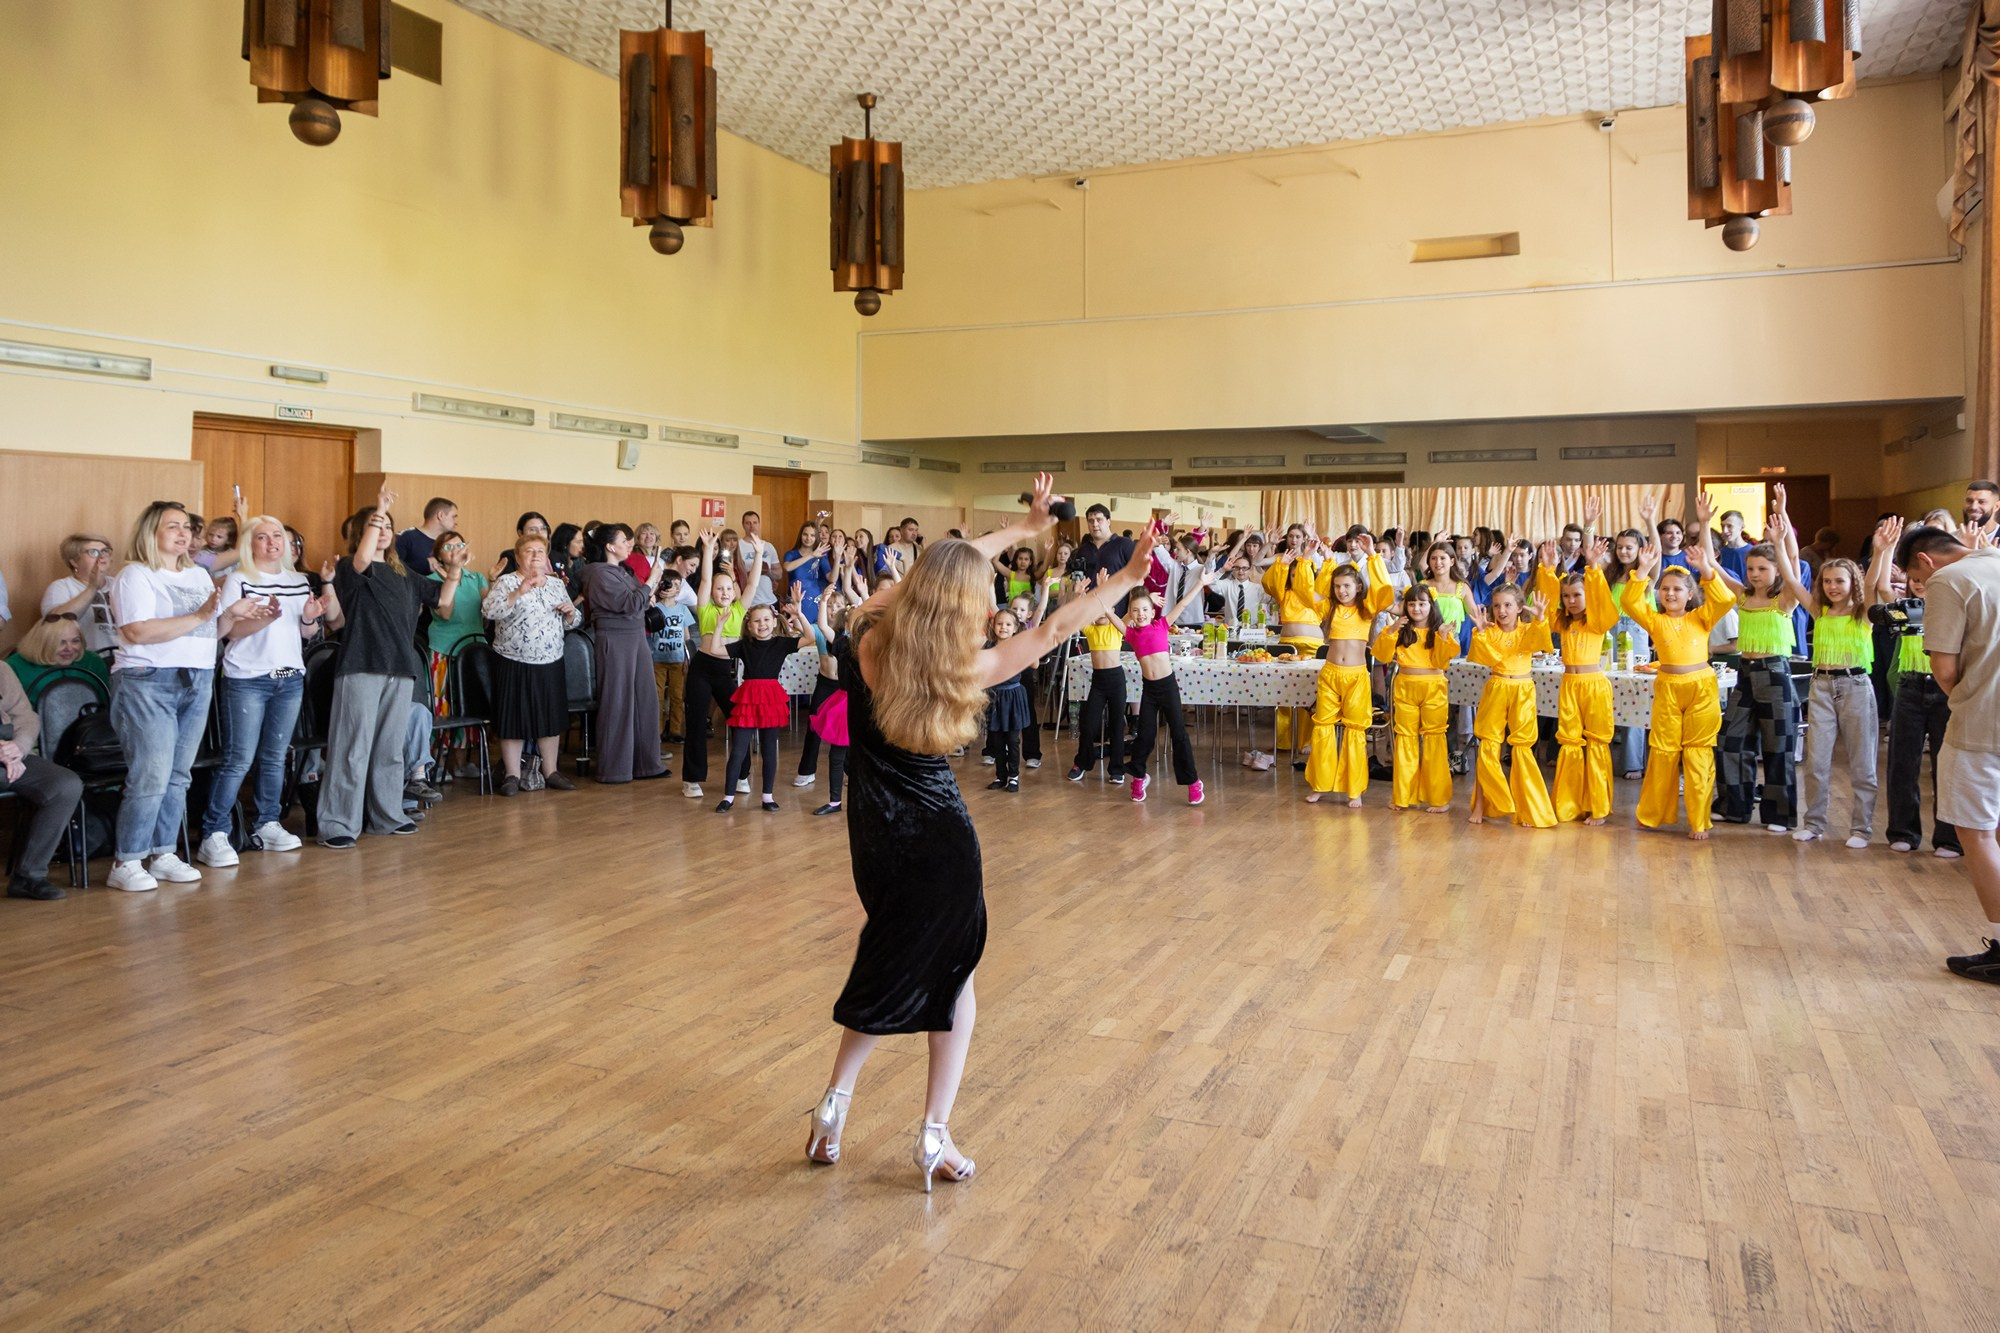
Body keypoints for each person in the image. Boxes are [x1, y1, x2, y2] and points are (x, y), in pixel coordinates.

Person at [804, 474, 1153, 1189]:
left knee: (890, 959)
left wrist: (1020, 532)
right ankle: (933, 1133)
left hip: (874, 837)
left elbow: (943, 566)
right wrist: (1123, 576)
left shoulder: (869, 635)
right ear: (967, 603)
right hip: (939, 838)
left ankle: (834, 1103)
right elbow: (1058, 625)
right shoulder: (970, 665)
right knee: (952, 977)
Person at [106, 501, 251, 891]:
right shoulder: (135, 575)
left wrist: (232, 616)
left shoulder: (198, 575)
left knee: (177, 775)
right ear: (150, 533)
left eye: (186, 526)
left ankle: (164, 851)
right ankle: (127, 859)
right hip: (148, 679)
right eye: (173, 526)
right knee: (150, 774)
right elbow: (136, 632)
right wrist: (202, 617)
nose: (183, 533)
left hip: (198, 677)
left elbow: (209, 633)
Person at [320, 493, 460, 849]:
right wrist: (379, 510)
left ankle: (387, 815)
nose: (382, 530)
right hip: (361, 666)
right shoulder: (353, 568)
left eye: (387, 526)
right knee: (352, 748)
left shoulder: (406, 574)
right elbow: (365, 557)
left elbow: (443, 601)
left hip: (399, 668)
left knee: (390, 749)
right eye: (375, 526)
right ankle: (338, 822)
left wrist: (455, 569)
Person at [1893, 521, 2000, 981]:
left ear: (1925, 561)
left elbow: (1944, 668)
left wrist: (1965, 694)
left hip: (1982, 725)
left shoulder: (1948, 580)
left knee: (1975, 830)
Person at [193, 515, 322, 867]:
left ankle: (267, 821)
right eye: (262, 537)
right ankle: (214, 832)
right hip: (247, 677)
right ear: (250, 544)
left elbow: (306, 634)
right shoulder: (238, 580)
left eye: (277, 535)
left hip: (289, 676)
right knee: (238, 759)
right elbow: (228, 632)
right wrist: (261, 618)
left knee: (275, 757)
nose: (271, 542)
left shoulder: (298, 580)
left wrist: (309, 617)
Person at [1776, 487, 1879, 848]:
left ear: (1853, 583)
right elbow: (1790, 577)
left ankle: (1861, 829)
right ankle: (1814, 823)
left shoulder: (1863, 614)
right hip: (1821, 686)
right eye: (1828, 581)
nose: (1833, 586)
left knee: (1862, 762)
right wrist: (1783, 528)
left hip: (1855, 686)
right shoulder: (1819, 611)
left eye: (1840, 581)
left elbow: (1873, 581)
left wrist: (1881, 551)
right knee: (1816, 762)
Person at [1621, 540, 1736, 840]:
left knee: (1698, 754)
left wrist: (1707, 570)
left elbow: (1724, 600)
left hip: (1701, 689)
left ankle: (1699, 820)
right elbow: (1631, 603)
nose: (1670, 593)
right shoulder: (1655, 620)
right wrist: (1643, 571)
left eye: (1677, 589)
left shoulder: (1701, 617)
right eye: (1665, 589)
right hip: (1668, 689)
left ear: (1690, 594)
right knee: (1663, 751)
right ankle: (1652, 813)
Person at [1872, 518, 1962, 858]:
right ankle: (1903, 832)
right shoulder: (1902, 609)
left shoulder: (1951, 602)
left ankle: (1949, 837)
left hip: (1945, 691)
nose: (1919, 584)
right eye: (1912, 579)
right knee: (1903, 763)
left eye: (1921, 578)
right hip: (1910, 688)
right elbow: (1881, 586)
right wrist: (1885, 550)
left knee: (1945, 764)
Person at [1712, 523, 1801, 832]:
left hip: (1775, 674)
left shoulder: (1785, 599)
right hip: (1746, 675)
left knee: (1778, 747)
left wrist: (1783, 530)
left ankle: (1779, 814)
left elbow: (1792, 563)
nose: (1754, 573)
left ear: (1776, 571)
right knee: (1730, 740)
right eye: (1750, 568)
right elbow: (1716, 568)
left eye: (1762, 568)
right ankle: (1734, 806)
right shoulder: (1742, 597)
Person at [481, 534, 581, 796]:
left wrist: (571, 613)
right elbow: (489, 612)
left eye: (540, 550)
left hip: (550, 660)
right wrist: (518, 592)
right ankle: (512, 775)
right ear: (518, 556)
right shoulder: (506, 582)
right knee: (512, 717)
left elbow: (573, 618)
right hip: (513, 660)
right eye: (529, 551)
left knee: (550, 716)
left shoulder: (556, 584)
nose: (536, 555)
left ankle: (551, 771)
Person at [1534, 539, 1622, 825]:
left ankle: (1598, 806)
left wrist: (1594, 567)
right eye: (1567, 596)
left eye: (1577, 595)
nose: (1571, 601)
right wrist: (1547, 570)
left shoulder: (1597, 620)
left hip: (1594, 686)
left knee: (1595, 743)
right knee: (1570, 742)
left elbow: (1603, 602)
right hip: (1570, 685)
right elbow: (1545, 610)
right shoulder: (1565, 622)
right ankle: (1569, 804)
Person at [1110, 571, 1214, 805]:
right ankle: (1138, 776)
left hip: (1168, 687)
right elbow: (1110, 615)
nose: (1140, 614)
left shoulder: (1162, 625)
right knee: (1144, 736)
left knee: (1179, 734)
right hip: (1150, 690)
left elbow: (1184, 602)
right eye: (1135, 611)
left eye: (1144, 610)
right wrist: (1101, 598)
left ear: (1153, 610)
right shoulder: (1131, 634)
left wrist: (1200, 583)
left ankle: (1193, 782)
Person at [1305, 545, 1396, 806]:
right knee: (1323, 726)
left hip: (1356, 676)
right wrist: (1326, 562)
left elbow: (1385, 595)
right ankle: (1320, 784)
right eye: (1337, 586)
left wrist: (1372, 556)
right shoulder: (1330, 609)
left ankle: (1353, 788)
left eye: (1347, 586)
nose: (1341, 591)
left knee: (1355, 730)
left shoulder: (1367, 609)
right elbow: (1313, 595)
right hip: (1331, 673)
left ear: (1358, 587)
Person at [1465, 585, 1556, 828]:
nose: (1501, 610)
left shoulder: (1528, 629)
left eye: (1507, 605)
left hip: (1523, 689)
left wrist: (1540, 619)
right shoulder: (1490, 631)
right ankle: (1483, 805)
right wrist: (1481, 633)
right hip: (1497, 686)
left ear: (1518, 608)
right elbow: (1484, 656)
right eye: (1497, 605)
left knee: (1522, 747)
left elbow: (1541, 643)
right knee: (1489, 745)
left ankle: (1527, 808)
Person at [682, 522, 761, 798]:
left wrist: (759, 554)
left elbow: (751, 583)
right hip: (702, 669)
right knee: (695, 722)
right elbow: (704, 580)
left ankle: (741, 775)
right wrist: (707, 550)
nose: (724, 592)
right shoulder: (705, 609)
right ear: (713, 592)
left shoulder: (739, 611)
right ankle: (691, 779)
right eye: (720, 589)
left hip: (726, 672)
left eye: (728, 588)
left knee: (740, 720)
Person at [586, 523, 668, 785]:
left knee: (645, 699)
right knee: (618, 702)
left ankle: (646, 763)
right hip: (615, 637)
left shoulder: (622, 571)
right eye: (624, 540)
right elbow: (631, 602)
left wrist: (652, 589)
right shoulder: (599, 574)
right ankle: (614, 769)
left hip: (635, 635)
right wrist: (652, 579)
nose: (630, 544)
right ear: (610, 546)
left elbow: (640, 599)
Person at [716, 591, 809, 811]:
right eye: (757, 621)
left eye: (766, 619)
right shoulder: (744, 645)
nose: (762, 624)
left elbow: (811, 637)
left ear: (775, 621)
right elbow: (715, 649)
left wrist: (799, 614)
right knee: (738, 750)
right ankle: (728, 796)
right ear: (749, 626)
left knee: (769, 750)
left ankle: (767, 796)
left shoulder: (781, 643)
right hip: (748, 697)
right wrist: (720, 625)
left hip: (770, 698)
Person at [0, 659, 85, 900]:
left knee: (64, 784)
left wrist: (18, 747)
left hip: (10, 752)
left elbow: (26, 717)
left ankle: (29, 876)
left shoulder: (2, 669)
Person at [1372, 584, 1459, 813]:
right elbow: (1381, 655)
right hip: (1405, 687)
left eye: (1422, 604)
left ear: (1431, 606)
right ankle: (1403, 796)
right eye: (1411, 604)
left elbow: (1442, 662)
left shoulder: (1441, 630)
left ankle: (1438, 798)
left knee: (1433, 740)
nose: (1417, 609)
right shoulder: (1401, 629)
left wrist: (1442, 636)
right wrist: (1391, 630)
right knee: (1405, 740)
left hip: (1433, 688)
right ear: (1405, 607)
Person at [1065, 581, 1129, 784]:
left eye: (1106, 610)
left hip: (1116, 680)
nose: (1102, 613)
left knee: (1117, 725)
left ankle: (1117, 769)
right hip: (1099, 682)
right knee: (1088, 723)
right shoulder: (1090, 630)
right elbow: (1076, 615)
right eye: (1098, 611)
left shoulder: (1117, 628)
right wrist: (1079, 596)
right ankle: (1081, 763)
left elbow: (1128, 614)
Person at [804, 582, 856, 816]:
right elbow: (823, 625)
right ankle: (835, 801)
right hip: (844, 703)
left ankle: (862, 796)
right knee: (837, 754)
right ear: (846, 624)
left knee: (859, 755)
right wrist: (824, 601)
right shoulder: (842, 643)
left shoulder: (874, 645)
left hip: (863, 705)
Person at [40, 533, 119, 657]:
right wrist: (93, 587)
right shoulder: (62, 587)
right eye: (93, 552)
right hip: (85, 661)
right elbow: (56, 623)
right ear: (74, 561)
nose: (101, 557)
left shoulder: (120, 583)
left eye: (105, 551)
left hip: (124, 660)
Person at [6, 614, 112, 697]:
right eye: (61, 642)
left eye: (75, 641)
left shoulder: (92, 662)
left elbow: (104, 708)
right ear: (41, 643)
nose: (69, 648)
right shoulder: (13, 667)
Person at [649, 570, 696, 747]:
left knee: (677, 696)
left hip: (677, 658)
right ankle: (658, 730)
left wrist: (687, 657)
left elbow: (686, 636)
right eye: (671, 584)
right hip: (658, 658)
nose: (674, 588)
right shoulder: (655, 607)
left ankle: (675, 729)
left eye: (678, 585)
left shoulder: (683, 609)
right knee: (657, 696)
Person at [1066, 505, 1138, 609]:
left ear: (1108, 522)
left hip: (1117, 612)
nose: (1095, 524)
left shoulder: (1124, 544)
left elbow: (1136, 579)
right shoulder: (1083, 550)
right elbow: (1077, 581)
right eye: (1091, 521)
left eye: (1099, 520)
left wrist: (1132, 610)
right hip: (1089, 612)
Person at [394, 497, 457, 576]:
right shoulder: (406, 537)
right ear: (440, 515)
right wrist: (424, 565)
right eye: (454, 517)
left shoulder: (447, 543)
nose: (456, 522)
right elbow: (391, 570)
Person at [736, 510, 780, 608]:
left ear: (759, 524)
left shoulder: (768, 546)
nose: (752, 526)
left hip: (769, 600)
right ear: (743, 525)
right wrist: (750, 572)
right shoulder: (738, 546)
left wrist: (768, 572)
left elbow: (779, 574)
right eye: (748, 523)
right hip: (748, 601)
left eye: (755, 522)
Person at [494, 512, 551, 577]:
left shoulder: (558, 557)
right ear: (520, 533)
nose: (539, 533)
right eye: (532, 529)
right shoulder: (510, 556)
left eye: (543, 529)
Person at [1712, 509, 1752, 584]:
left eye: (1729, 526)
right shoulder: (1719, 553)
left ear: (1741, 527)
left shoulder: (1753, 552)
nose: (1725, 531)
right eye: (1722, 526)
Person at [1962, 480, 1999, 546]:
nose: (1973, 507)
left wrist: (1995, 555)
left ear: (1996, 506)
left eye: (1981, 502)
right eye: (1969, 501)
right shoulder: (1951, 539)